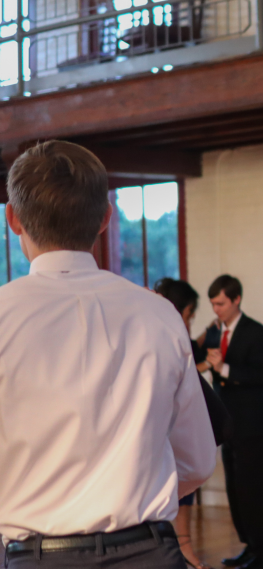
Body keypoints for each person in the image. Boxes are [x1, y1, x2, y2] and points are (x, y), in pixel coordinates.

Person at [0, 141, 216, 569]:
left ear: (12, 219)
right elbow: (196, 459)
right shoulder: (159, 314)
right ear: (105, 218)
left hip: (39, 557)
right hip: (149, 550)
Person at [154, 277, 236, 569]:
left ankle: (183, 546)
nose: (189, 322)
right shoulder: (165, 336)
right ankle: (183, 547)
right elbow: (185, 363)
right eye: (189, 315)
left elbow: (192, 347)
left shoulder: (163, 331)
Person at [204, 275, 263, 569]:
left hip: (253, 426)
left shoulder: (256, 332)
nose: (216, 309)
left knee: (251, 495)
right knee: (235, 494)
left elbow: (259, 375)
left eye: (221, 303)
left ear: (236, 300)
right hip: (229, 426)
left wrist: (224, 368)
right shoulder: (213, 332)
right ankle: (251, 548)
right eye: (212, 304)